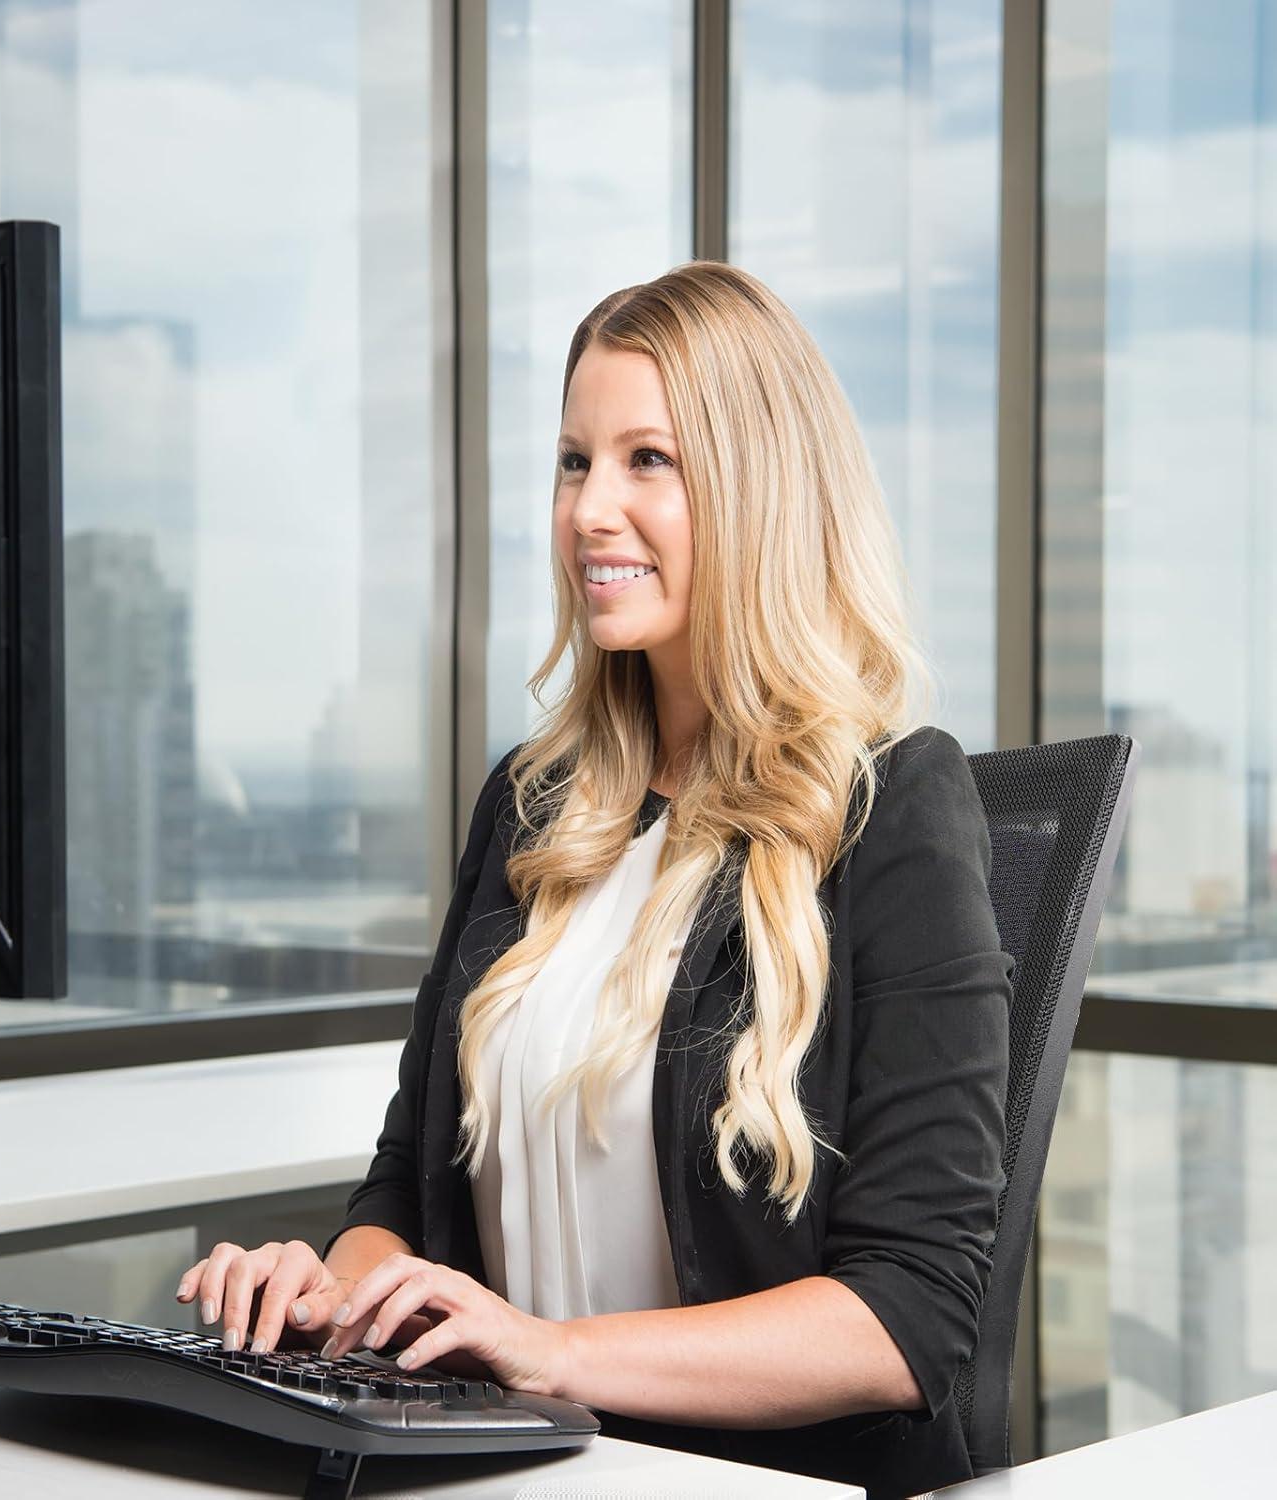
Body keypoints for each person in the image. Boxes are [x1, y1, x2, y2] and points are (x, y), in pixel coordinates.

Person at [173, 260, 1013, 1497]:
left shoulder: (892, 805)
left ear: (757, 491)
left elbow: (911, 1316)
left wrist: (553, 1352)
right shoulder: (534, 803)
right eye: (574, 461)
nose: (588, 511)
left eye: (647, 462)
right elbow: (405, 1187)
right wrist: (334, 1290)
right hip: (516, 1467)